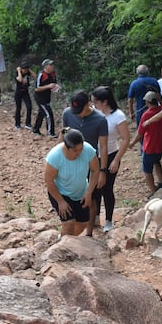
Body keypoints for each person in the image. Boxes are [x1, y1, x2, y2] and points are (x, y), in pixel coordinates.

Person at [61, 90, 109, 235]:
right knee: (70, 194)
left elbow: (103, 146)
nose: (77, 114)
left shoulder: (100, 119)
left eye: (80, 110)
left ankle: (89, 231)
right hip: (71, 161)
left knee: (92, 198)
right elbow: (63, 134)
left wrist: (102, 171)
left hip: (90, 162)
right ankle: (72, 228)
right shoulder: (68, 114)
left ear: (88, 104)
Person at [44, 129, 100, 237]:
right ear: (66, 147)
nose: (79, 153)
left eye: (81, 149)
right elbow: (49, 181)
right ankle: (63, 246)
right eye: (75, 150)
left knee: (83, 223)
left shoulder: (88, 150)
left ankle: (66, 240)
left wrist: (89, 193)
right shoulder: (55, 157)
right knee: (69, 223)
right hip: (61, 192)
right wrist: (60, 201)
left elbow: (95, 170)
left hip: (81, 192)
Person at [91, 86, 131, 232]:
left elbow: (126, 139)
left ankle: (108, 219)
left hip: (111, 154)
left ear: (105, 102)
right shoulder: (94, 112)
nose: (93, 104)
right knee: (94, 187)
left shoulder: (117, 116)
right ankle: (94, 217)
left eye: (96, 101)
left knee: (107, 188)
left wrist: (116, 160)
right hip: (94, 155)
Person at [129, 91, 162, 195]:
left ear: (147, 102)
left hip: (150, 146)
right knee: (157, 161)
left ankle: (153, 190)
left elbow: (140, 133)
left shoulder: (146, 115)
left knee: (147, 170)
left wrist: (132, 143)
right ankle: (161, 182)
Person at [32, 59, 58, 138]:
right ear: (46, 66)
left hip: (47, 97)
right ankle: (51, 132)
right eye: (50, 65)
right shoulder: (41, 75)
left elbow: (54, 83)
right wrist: (48, 86)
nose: (52, 67)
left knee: (41, 113)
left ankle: (36, 129)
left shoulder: (53, 74)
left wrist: (54, 87)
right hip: (40, 98)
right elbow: (37, 88)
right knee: (48, 114)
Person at [14, 62, 34, 130]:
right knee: (18, 108)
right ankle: (17, 124)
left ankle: (28, 123)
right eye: (24, 69)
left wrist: (29, 70)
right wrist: (19, 71)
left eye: (26, 69)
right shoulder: (17, 73)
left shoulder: (27, 73)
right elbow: (20, 80)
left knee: (29, 106)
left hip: (25, 92)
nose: (25, 70)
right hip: (18, 92)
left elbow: (35, 76)